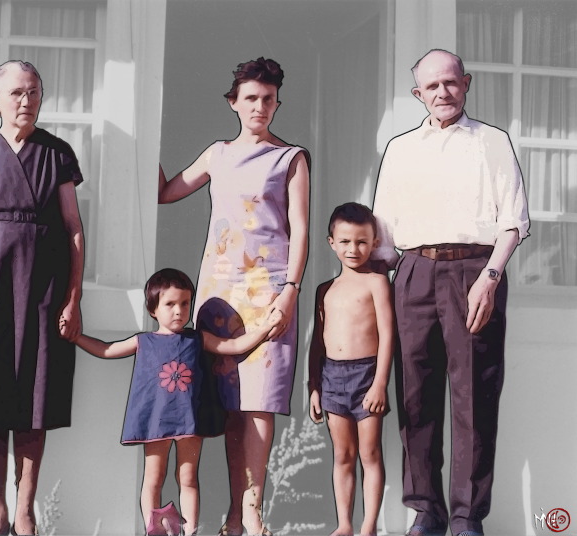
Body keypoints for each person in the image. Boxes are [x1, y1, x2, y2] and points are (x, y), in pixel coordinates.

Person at [371, 49, 530, 536]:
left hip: (475, 273)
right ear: (418, 94)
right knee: (416, 395)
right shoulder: (400, 149)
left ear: (466, 83)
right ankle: (427, 510)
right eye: (431, 87)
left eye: (451, 83)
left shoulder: (493, 142)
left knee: (474, 397)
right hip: (414, 271)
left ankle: (466, 517)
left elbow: (515, 222)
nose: (443, 93)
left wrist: (491, 277)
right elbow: (383, 232)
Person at [158, 57, 310, 536]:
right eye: (251, 99)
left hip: (270, 290)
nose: (260, 107)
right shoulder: (218, 154)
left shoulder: (291, 158)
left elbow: (301, 229)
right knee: (229, 403)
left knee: (260, 403)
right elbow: (165, 192)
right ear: (234, 103)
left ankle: (251, 508)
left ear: (277, 102)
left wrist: (291, 291)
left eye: (268, 99)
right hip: (221, 292)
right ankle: (231, 513)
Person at [0, 60, 85, 536]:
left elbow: (73, 229)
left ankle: (25, 508)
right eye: (17, 93)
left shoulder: (57, 154)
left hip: (43, 287)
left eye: (34, 92)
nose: (27, 101)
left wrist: (73, 297)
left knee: (35, 394)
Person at [72, 268, 280, 536]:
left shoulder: (198, 338)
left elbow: (235, 346)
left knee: (188, 478)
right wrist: (76, 337)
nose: (179, 310)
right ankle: (153, 530)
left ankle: (190, 530)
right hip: (155, 421)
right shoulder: (143, 341)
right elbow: (107, 350)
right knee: (153, 479)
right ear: (153, 309)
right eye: (170, 304)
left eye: (184, 303)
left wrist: (265, 328)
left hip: (189, 421)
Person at [307, 203, 393, 536]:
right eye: (344, 242)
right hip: (332, 377)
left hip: (367, 375)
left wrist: (379, 384)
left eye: (361, 242)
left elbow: (387, 336)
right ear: (331, 242)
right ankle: (344, 524)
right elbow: (317, 342)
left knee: (369, 452)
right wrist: (313, 386)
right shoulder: (325, 290)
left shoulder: (377, 283)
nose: (352, 249)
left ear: (373, 243)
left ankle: (368, 525)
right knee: (342, 454)